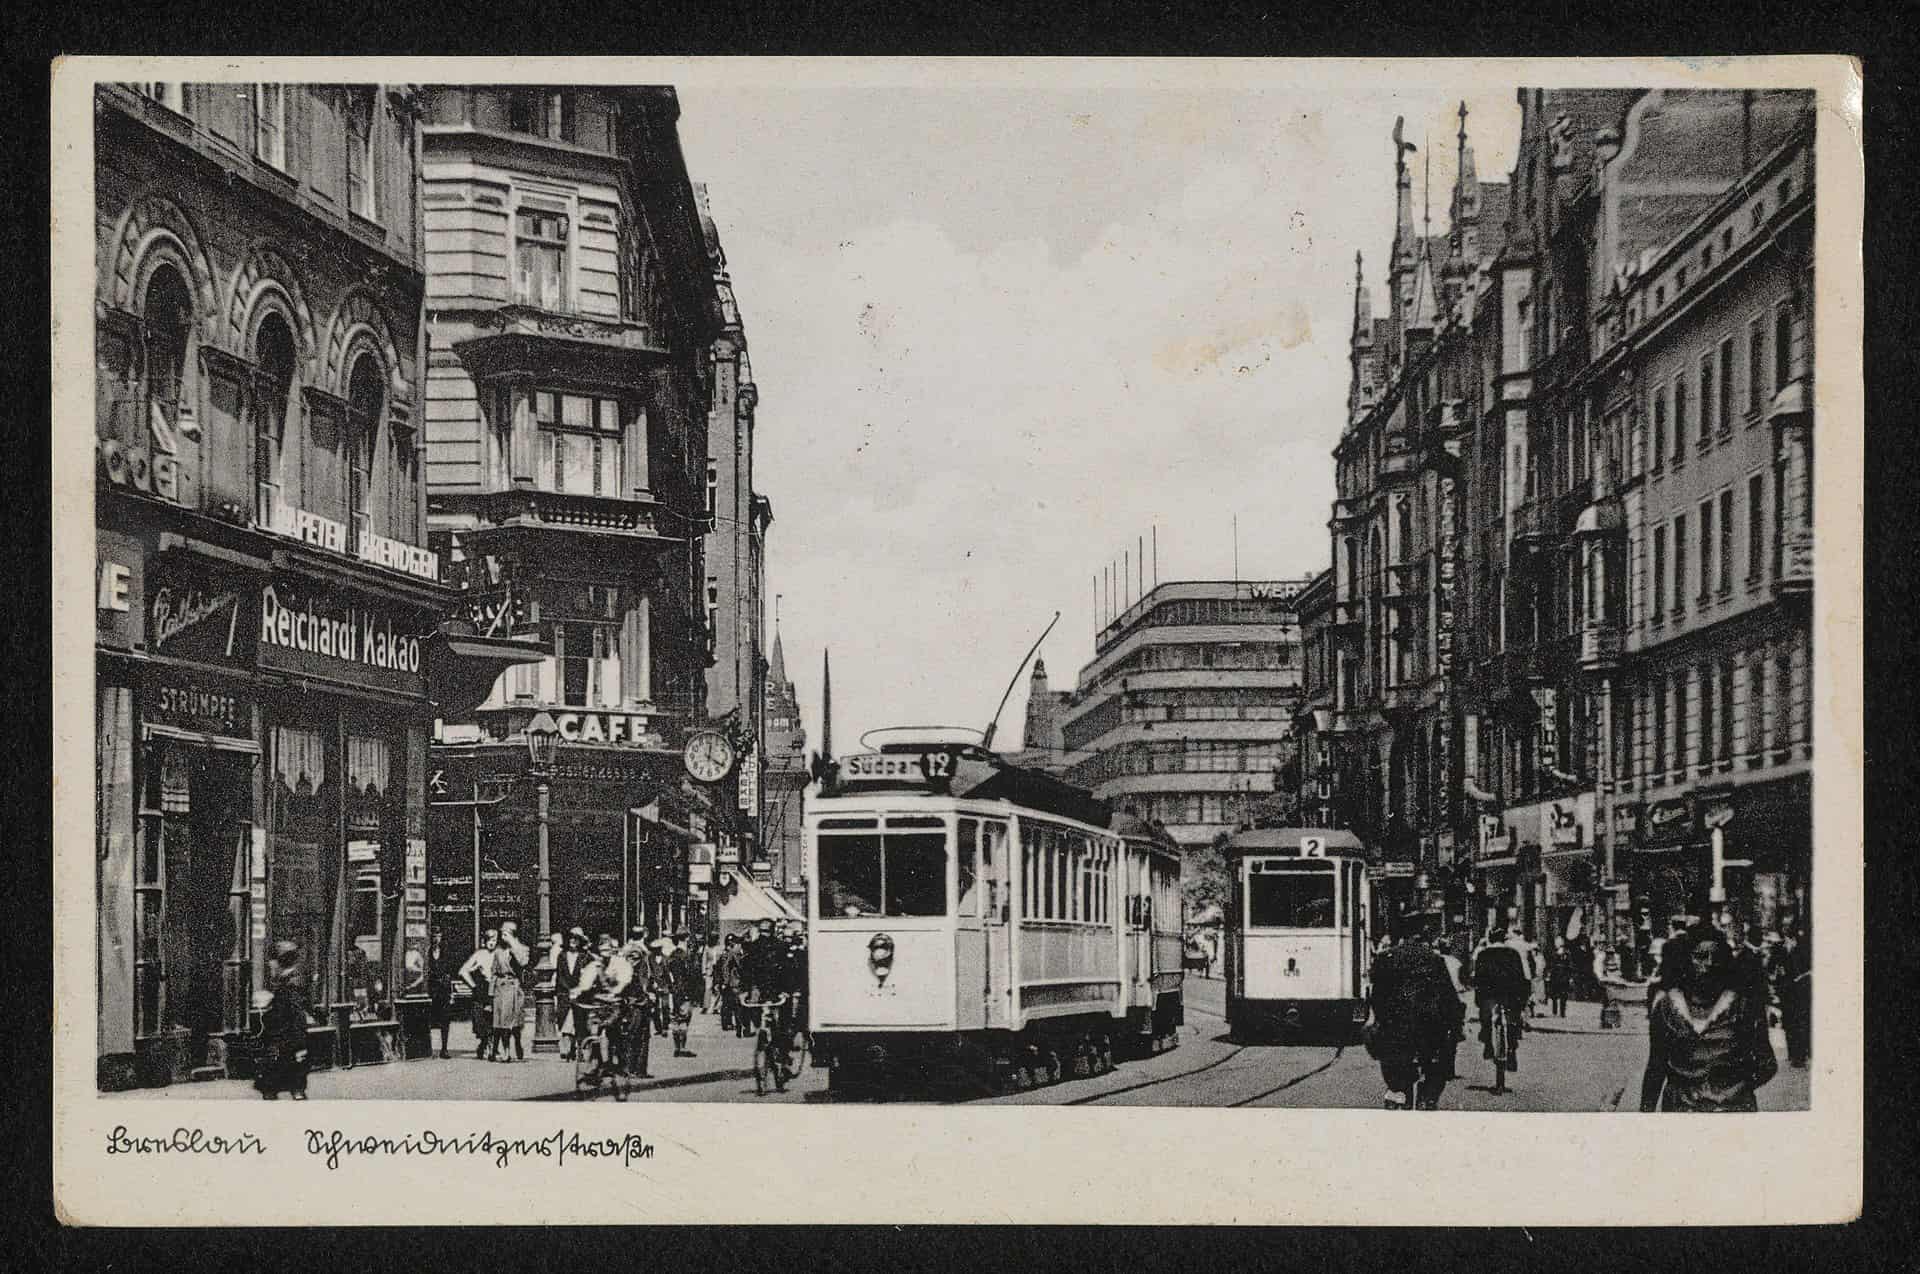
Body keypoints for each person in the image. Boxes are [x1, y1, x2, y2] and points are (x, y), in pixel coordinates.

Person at [1640, 925, 1778, 1111]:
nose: (1710, 964)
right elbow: (1656, 1067)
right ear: (1685, 960)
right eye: (1700, 957)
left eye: (1717, 957)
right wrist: (1644, 1114)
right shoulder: (1666, 1008)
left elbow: (1767, 1064)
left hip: (1733, 1112)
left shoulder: (1743, 1006)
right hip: (1680, 1111)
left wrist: (1734, 1089)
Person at [1367, 924, 1462, 1110]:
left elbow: (1377, 998)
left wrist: (1378, 1020)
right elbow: (1449, 997)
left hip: (1396, 1030)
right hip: (1429, 1027)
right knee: (1437, 1062)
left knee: (1389, 1057)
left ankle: (1395, 1091)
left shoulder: (1385, 959)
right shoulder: (1435, 960)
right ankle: (1428, 1097)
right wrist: (1455, 1024)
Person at [253, 941, 311, 1100]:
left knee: (285, 1061)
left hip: (287, 1031)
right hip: (281, 1030)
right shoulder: (283, 978)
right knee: (284, 1062)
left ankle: (290, 1090)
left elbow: (296, 1010)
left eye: (277, 959)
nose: (274, 963)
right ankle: (289, 1089)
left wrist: (300, 1040)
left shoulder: (293, 981)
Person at [1471, 926, 1530, 1083]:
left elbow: (1478, 980)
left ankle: (1488, 1044)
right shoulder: (1513, 954)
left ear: (1490, 938)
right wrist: (1523, 1000)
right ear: (1504, 939)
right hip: (1509, 997)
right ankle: (1511, 1050)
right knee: (1512, 1021)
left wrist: (1478, 998)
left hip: (1489, 997)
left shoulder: (1483, 954)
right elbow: (1521, 978)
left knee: (1485, 1018)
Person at [488, 923, 530, 1063]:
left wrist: (513, 945)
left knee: (516, 1022)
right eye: (502, 934)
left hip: (515, 989)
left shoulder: (522, 949)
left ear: (513, 934)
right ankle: (505, 1051)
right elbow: (493, 972)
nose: (503, 936)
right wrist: (490, 994)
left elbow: (523, 962)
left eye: (506, 934)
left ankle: (517, 1042)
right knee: (502, 1023)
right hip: (501, 989)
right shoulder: (498, 952)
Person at [458, 929, 496, 1058]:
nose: (492, 943)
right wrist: (473, 985)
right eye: (489, 940)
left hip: (496, 989)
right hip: (482, 990)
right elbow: (463, 971)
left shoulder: (499, 954)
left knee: (495, 1020)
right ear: (484, 941)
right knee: (483, 1021)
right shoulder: (479, 954)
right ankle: (485, 1044)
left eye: (494, 940)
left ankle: (492, 1047)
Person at [554, 929, 592, 1061]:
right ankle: (570, 1050)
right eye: (571, 938)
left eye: (576, 938)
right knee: (565, 1021)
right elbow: (560, 976)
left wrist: (579, 990)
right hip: (565, 994)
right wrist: (567, 990)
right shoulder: (562, 956)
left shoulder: (585, 956)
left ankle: (579, 1049)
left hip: (580, 994)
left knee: (579, 1022)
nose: (573, 941)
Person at [1781, 927, 1811, 1068]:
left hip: (1797, 997)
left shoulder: (1800, 954)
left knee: (1797, 1026)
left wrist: (1797, 979)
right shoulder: (1786, 954)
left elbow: (1805, 974)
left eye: (1787, 940)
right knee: (1790, 1025)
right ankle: (1793, 1054)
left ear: (1793, 940)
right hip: (1788, 996)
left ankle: (1799, 1057)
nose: (1785, 943)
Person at [426, 928, 458, 1059]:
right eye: (434, 936)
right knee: (429, 1019)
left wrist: (451, 991)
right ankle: (429, 1048)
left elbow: (450, 970)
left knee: (445, 1019)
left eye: (439, 936)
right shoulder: (426, 952)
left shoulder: (446, 952)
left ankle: (444, 1049)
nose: (436, 938)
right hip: (431, 989)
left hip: (443, 990)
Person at [713, 934, 744, 1032]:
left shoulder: (725, 953)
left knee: (727, 1003)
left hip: (726, 982)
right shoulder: (730, 954)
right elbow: (724, 969)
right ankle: (729, 1024)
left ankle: (727, 1023)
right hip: (730, 982)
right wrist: (725, 982)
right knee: (731, 1004)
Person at [1545, 936, 1575, 1018]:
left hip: (1564, 976)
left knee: (1563, 995)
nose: (1557, 944)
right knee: (1554, 994)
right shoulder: (1553, 952)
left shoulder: (1567, 953)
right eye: (1556, 942)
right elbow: (1550, 964)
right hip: (1555, 975)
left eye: (1558, 942)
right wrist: (1548, 974)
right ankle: (1554, 1011)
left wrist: (1570, 977)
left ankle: (1562, 1012)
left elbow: (1570, 965)